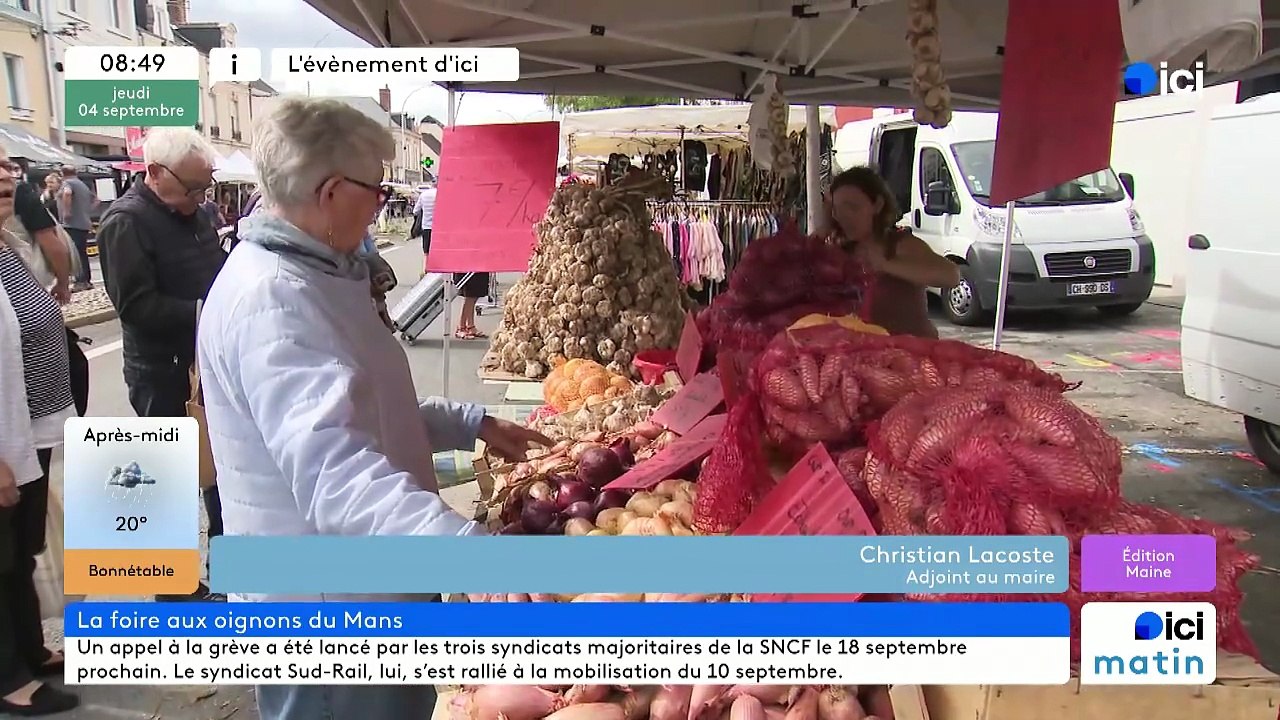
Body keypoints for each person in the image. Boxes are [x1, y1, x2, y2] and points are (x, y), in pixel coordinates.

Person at [197, 97, 551, 720]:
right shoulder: (274, 299)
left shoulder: (316, 274)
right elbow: (337, 476)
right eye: (378, 190)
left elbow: (369, 409)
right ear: (332, 191)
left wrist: (474, 423)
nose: (383, 202)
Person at [96, 128, 227, 603]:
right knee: (164, 477)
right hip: (160, 369)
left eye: (204, 188)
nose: (200, 197)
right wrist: (206, 310)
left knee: (219, 472)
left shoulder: (194, 214)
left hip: (204, 364)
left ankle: (230, 574)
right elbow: (136, 307)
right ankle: (171, 589)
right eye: (192, 188)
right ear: (153, 173)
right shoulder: (126, 223)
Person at [0, 160, 80, 716]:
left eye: (6, 173)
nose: (6, 181)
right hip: (6, 444)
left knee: (21, 552)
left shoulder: (7, 244)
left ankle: (28, 648)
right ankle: (7, 674)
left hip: (32, 429)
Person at [825, 166, 961, 339]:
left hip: (911, 355)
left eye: (853, 207)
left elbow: (951, 275)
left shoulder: (899, 244)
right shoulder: (840, 250)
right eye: (838, 210)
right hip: (863, 356)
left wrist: (886, 265)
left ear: (878, 205)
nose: (845, 217)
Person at [56, 165, 94, 291]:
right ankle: (86, 280)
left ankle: (80, 280)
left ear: (62, 173)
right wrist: (87, 211)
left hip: (72, 223)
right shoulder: (82, 184)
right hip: (84, 222)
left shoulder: (67, 183)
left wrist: (67, 211)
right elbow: (96, 199)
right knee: (82, 253)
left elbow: (67, 193)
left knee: (76, 253)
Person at [453, 270, 490, 339]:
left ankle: (470, 326)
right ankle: (461, 327)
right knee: (470, 296)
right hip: (467, 266)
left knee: (475, 295)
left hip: (480, 264)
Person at [413, 180, 435, 276]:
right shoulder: (441, 194)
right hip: (438, 228)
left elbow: (415, 211)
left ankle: (425, 270)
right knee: (437, 250)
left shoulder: (424, 195)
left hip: (426, 226)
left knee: (426, 251)